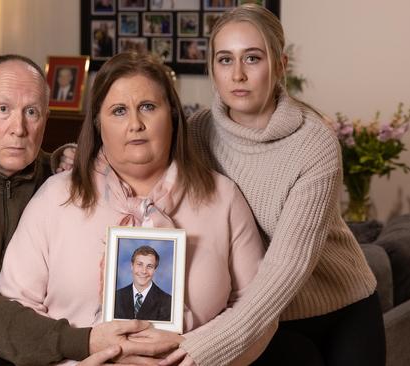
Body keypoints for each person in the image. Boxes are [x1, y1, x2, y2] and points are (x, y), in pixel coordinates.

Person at [0, 54, 176, 366]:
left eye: (32, 112)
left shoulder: (59, 181)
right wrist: (85, 342)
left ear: (46, 119)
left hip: (36, 358)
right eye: (3, 109)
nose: (19, 128)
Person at [0, 52, 275, 365]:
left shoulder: (224, 199)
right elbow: (14, 308)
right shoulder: (55, 198)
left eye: (147, 107)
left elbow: (259, 312)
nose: (135, 124)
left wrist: (199, 353)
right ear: (98, 123)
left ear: (171, 114)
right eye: (118, 111)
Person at [159, 4, 385, 365]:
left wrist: (201, 349)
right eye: (224, 60)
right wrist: (74, 156)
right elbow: (134, 157)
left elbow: (285, 271)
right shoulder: (197, 132)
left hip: (339, 309)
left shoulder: (315, 144)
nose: (237, 75)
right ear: (212, 69)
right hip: (260, 319)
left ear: (279, 65)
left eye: (252, 58)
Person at [114, 246, 172, 321]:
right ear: (132, 266)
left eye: (149, 266)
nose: (144, 271)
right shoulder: (117, 297)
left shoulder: (167, 301)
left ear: (155, 270)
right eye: (139, 264)